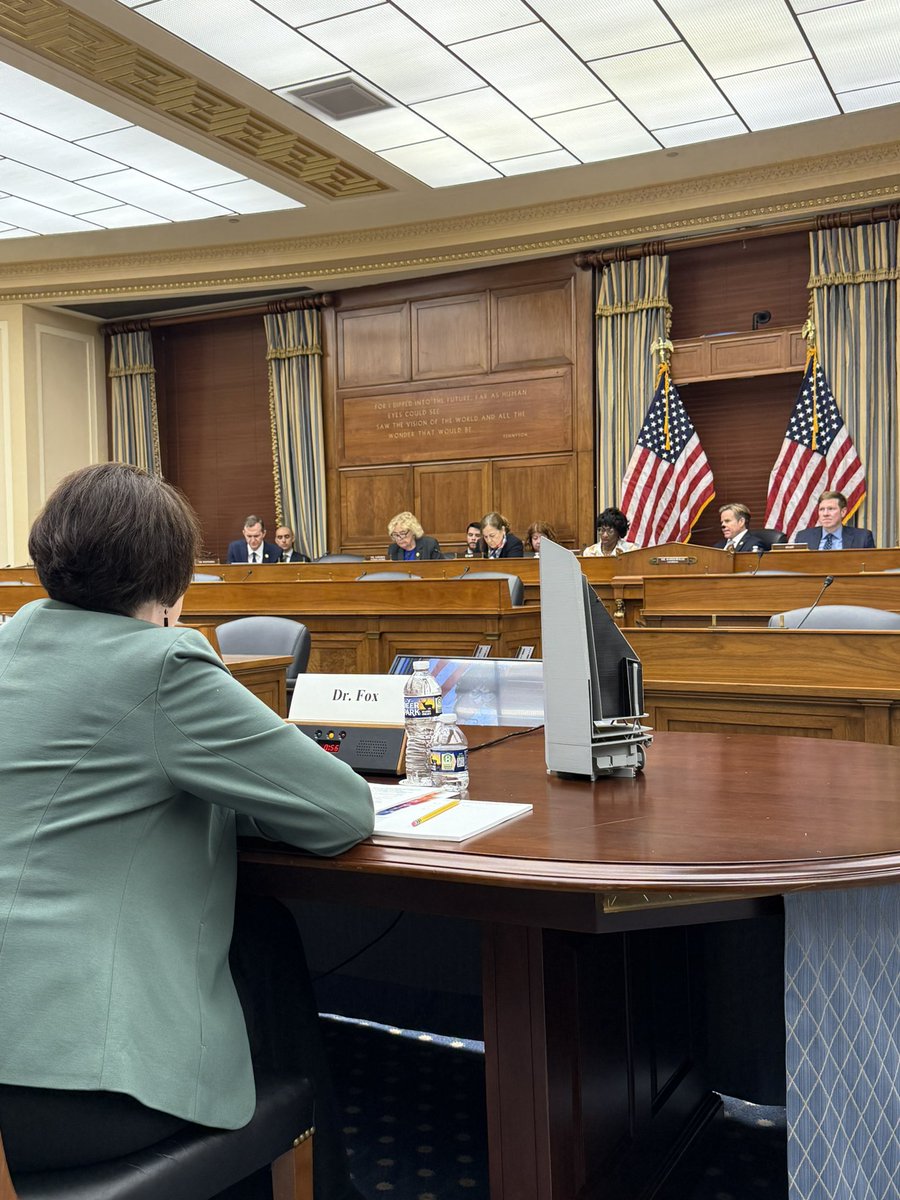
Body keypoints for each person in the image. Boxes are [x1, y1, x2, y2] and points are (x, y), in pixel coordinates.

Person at [0, 463, 374, 1196]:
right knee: (261, 944)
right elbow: (341, 812)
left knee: (259, 934)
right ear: (173, 585)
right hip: (67, 1091)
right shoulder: (160, 663)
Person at [792, 490, 876, 549]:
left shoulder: (862, 538)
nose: (825, 514)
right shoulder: (803, 537)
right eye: (822, 509)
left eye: (831, 509)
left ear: (843, 512)